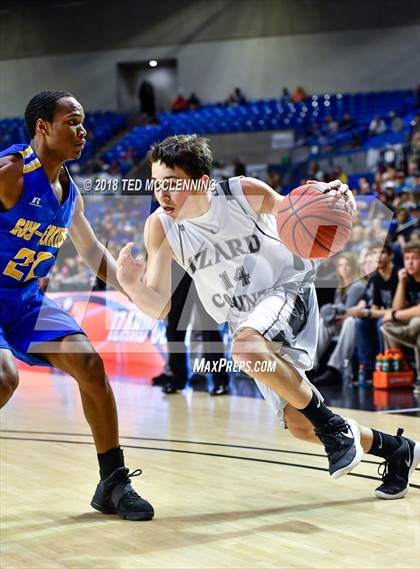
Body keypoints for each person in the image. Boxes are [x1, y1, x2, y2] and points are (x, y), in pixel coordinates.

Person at [117, 134, 419, 500]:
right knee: (299, 424)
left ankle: (335, 431)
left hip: (286, 288)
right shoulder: (160, 227)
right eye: (157, 185)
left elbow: (303, 212)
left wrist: (335, 199)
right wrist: (132, 285)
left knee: (244, 348)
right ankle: (395, 450)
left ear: (200, 181)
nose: (162, 195)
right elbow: (159, 305)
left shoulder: (242, 193)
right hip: (245, 318)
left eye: (173, 184)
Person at [0, 91, 154, 521]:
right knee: (3, 379)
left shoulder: (70, 191)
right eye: (72, 121)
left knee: (89, 364)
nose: (83, 131)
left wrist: (131, 284)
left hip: (24, 298)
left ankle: (112, 483)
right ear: (42, 127)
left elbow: (90, 251)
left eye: (84, 122)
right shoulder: (10, 173)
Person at [312, 253, 366, 386]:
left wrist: (332, 311)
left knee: (350, 322)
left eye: (347, 265)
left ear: (353, 267)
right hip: (342, 323)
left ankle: (334, 369)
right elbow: (338, 311)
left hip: (359, 325)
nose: (344, 268)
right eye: (341, 265)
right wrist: (332, 312)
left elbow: (344, 310)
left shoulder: (358, 286)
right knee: (323, 322)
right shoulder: (340, 288)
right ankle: (310, 364)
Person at [348, 242, 399, 379]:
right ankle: (367, 368)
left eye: (381, 252)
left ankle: (383, 366)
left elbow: (396, 309)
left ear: (391, 255)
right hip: (380, 314)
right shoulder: (375, 277)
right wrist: (358, 309)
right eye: (375, 253)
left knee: (380, 323)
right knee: (359, 323)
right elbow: (368, 300)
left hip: (395, 316)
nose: (378, 256)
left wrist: (368, 312)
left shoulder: (399, 275)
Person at [382, 241, 420, 383]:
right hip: (413, 327)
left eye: (415, 258)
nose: (410, 263)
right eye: (407, 258)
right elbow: (397, 307)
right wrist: (401, 283)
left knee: (417, 322)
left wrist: (393, 314)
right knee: (386, 325)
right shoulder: (408, 280)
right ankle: (399, 369)